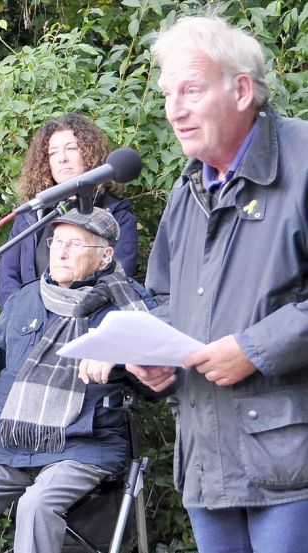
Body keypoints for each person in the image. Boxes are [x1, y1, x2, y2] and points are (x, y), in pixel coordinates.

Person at [127, 15, 308, 553]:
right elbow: (166, 300)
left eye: (191, 90)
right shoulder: (188, 192)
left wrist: (254, 349)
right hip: (207, 462)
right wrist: (150, 353)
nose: (174, 110)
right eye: (167, 95)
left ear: (242, 89)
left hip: (293, 462)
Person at [0, 208, 155, 553]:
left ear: (105, 256)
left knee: (36, 505)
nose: (61, 251)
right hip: (11, 440)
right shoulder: (27, 297)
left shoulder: (128, 306)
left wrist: (122, 356)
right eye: (57, 242)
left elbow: (155, 374)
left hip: (84, 443)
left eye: (75, 244)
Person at [0, 113, 138, 307]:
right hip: (29, 323)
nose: (62, 158)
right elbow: (8, 274)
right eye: (53, 152)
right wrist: (22, 313)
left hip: (87, 322)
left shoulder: (116, 212)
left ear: (90, 154)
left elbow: (120, 277)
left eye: (71, 148)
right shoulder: (32, 214)